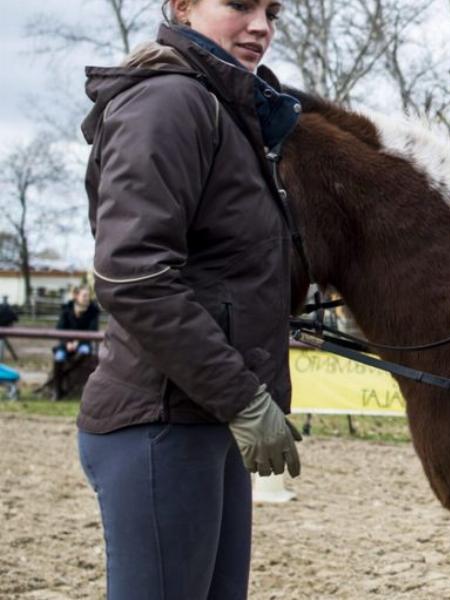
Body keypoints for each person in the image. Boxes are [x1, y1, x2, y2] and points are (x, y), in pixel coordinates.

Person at [77, 0, 301, 597]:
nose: (261, 26)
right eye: (239, 4)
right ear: (181, 7)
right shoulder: (169, 101)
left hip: (210, 413)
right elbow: (134, 274)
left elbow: (227, 273)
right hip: (163, 419)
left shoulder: (226, 110)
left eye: (272, 10)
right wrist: (245, 398)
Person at [50, 286, 101, 397]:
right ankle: (57, 391)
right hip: (66, 343)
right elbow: (60, 328)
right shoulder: (66, 310)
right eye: (84, 295)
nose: (86, 298)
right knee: (59, 357)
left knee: (84, 352)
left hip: (83, 342)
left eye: (88, 296)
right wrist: (67, 342)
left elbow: (93, 330)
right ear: (77, 296)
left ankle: (63, 376)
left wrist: (78, 341)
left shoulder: (93, 311)